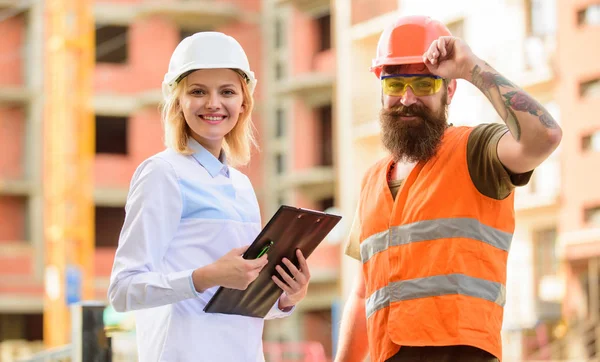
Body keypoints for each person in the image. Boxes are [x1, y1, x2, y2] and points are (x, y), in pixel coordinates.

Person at [334, 15, 562, 362]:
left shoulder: (475, 150)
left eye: (423, 85)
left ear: (449, 89)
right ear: (382, 91)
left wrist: (470, 67)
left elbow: (544, 136)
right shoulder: (371, 181)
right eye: (395, 85)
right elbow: (363, 294)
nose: (407, 98)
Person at [108, 32, 311, 362]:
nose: (213, 103)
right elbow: (123, 291)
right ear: (178, 102)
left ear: (243, 104)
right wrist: (207, 276)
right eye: (198, 92)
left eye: (227, 92)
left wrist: (288, 296)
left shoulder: (242, 187)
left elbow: (240, 302)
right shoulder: (162, 173)